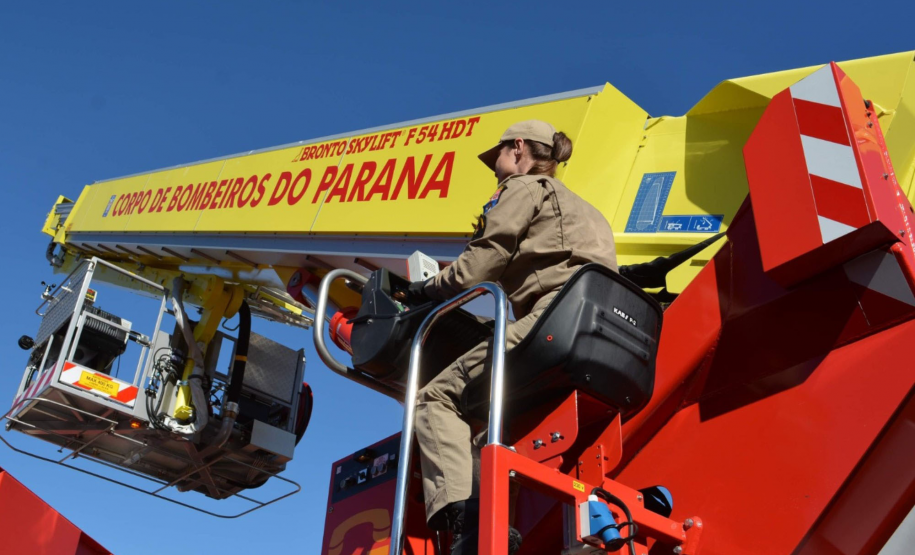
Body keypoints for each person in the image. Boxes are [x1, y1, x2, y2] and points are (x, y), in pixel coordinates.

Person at [408, 120, 618, 554]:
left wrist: (423, 290)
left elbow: (481, 263)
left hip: (553, 322)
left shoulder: (523, 188)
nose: (496, 169)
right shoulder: (587, 210)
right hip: (599, 335)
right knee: (494, 435)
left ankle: (470, 525)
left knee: (434, 398)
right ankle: (494, 526)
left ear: (518, 148)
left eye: (499, 157)